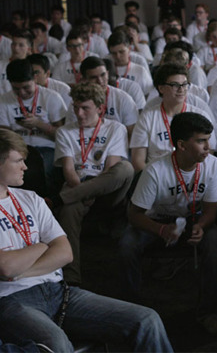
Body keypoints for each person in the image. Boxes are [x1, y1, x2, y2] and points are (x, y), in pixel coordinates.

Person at [0, 128, 173, 353]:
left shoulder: (30, 198)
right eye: (18, 161)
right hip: (11, 301)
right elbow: (5, 267)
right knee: (58, 346)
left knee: (147, 320)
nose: (25, 167)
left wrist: (27, 261)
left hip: (58, 292)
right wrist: (44, 246)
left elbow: (64, 252)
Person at [120, 111, 217, 336]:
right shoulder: (156, 170)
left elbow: (211, 211)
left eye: (208, 139)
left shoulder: (214, 165)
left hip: (192, 219)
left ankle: (209, 311)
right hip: (155, 220)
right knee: (127, 245)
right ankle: (131, 312)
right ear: (182, 145)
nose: (209, 146)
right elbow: (134, 214)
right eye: (201, 141)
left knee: (215, 240)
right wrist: (161, 229)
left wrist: (202, 226)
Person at [53, 82, 133, 285]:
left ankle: (59, 200)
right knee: (68, 211)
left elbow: (111, 166)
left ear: (100, 108)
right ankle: (71, 279)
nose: (79, 113)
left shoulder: (116, 128)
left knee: (126, 169)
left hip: (107, 189)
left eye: (85, 108)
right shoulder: (65, 131)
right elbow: (69, 172)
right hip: (77, 185)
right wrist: (83, 192)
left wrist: (90, 193)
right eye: (75, 108)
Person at [130, 63, 216, 171]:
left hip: (192, 174)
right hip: (157, 175)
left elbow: (209, 154)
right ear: (161, 88)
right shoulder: (148, 117)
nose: (181, 89)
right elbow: (138, 161)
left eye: (184, 84)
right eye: (175, 85)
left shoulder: (200, 115)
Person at [0, 59, 66, 189]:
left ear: (35, 78)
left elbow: (63, 136)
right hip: (16, 148)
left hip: (47, 147)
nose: (22, 93)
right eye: (16, 89)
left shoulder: (51, 97)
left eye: (26, 88)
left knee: (39, 165)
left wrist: (39, 124)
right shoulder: (4, 100)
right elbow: (3, 137)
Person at [73, 57, 139, 136]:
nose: (100, 81)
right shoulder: (77, 101)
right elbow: (72, 130)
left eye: (103, 75)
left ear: (107, 73)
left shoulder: (123, 99)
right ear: (84, 79)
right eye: (94, 77)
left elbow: (132, 134)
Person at [108, 31, 153, 97]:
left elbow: (148, 94)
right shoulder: (106, 70)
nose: (118, 56)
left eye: (121, 52)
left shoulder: (140, 70)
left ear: (129, 49)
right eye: (114, 53)